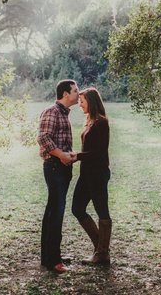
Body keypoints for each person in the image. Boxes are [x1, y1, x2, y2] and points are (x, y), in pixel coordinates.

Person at [37, 79, 79, 273]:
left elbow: (58, 141)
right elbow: (43, 137)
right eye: (75, 91)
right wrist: (61, 155)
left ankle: (50, 256)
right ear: (65, 94)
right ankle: (54, 260)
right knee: (56, 212)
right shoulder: (52, 112)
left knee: (53, 211)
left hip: (62, 168)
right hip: (54, 168)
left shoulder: (64, 114)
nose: (78, 94)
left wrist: (69, 154)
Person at [71, 87, 112, 265]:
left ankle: (102, 253)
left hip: (97, 174)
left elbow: (99, 152)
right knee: (77, 208)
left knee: (102, 210)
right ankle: (101, 249)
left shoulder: (101, 122)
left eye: (82, 101)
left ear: (91, 102)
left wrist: (77, 156)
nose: (79, 104)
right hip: (86, 173)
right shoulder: (90, 120)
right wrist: (78, 156)